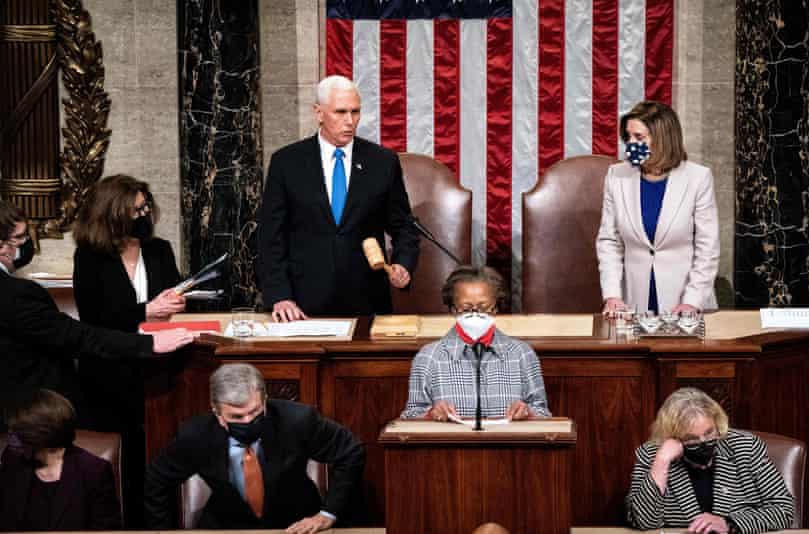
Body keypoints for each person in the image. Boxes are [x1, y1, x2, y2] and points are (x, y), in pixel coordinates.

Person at [0, 200, 196, 428]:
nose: (27, 244)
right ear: (2, 246)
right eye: (22, 238)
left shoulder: (158, 249)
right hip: (33, 413)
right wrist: (149, 343)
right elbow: (75, 336)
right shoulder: (16, 294)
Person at [71, 174, 185, 526]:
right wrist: (145, 310)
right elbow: (94, 316)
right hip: (109, 374)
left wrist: (176, 301)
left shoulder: (159, 249)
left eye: (145, 207)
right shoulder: (90, 256)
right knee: (125, 461)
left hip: (160, 369)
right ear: (112, 214)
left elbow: (173, 293)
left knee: (161, 455)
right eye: (135, 209)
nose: (144, 214)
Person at [258, 75, 419, 321]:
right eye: (340, 112)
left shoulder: (382, 162)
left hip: (366, 302)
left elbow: (403, 226)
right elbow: (271, 236)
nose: (349, 121)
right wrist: (279, 295)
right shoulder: (287, 162)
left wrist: (403, 263)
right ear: (319, 112)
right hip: (302, 304)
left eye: (355, 112)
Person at [144, 363, 366, 533]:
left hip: (296, 524)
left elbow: (351, 451)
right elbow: (156, 479)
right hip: (227, 526)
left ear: (265, 400)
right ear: (217, 412)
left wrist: (328, 514)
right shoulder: (195, 435)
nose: (248, 420)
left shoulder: (297, 420)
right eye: (237, 417)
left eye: (255, 412)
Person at [597, 101, 719, 315]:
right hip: (634, 302)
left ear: (662, 139)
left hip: (686, 303)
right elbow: (609, 241)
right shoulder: (617, 176)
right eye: (628, 137)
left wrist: (692, 301)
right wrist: (612, 295)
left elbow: (707, 248)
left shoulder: (698, 178)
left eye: (639, 137)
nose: (630, 144)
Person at [626, 387, 793, 534]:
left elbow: (784, 510)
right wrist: (662, 461)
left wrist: (730, 524)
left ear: (718, 423)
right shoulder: (653, 455)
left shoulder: (745, 448)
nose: (703, 442)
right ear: (672, 437)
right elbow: (644, 522)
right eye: (691, 439)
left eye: (709, 433)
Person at [400, 265, 550, 421]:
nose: (475, 315)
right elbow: (410, 415)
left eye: (484, 307)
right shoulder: (428, 357)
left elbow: (543, 413)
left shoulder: (522, 353)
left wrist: (528, 412)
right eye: (466, 308)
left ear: (496, 307)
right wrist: (430, 414)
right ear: (452, 308)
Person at [0, 389, 121, 531]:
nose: (10, 436)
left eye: (17, 431)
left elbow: (105, 530)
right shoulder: (12, 459)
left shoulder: (94, 471)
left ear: (40, 434)